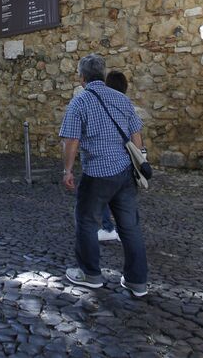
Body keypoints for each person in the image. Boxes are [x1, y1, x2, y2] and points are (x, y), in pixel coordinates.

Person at [60, 54, 149, 297]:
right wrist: (141, 161)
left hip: (97, 172)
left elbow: (72, 140)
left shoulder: (80, 102)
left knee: (87, 221)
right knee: (130, 227)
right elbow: (136, 134)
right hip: (124, 172)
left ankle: (91, 274)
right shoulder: (121, 99)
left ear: (82, 77)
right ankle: (137, 281)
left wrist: (68, 170)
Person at [96, 70, 131, 243]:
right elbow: (136, 136)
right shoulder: (127, 104)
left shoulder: (101, 105)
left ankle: (108, 228)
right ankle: (125, 231)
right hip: (125, 163)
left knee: (102, 196)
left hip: (104, 163)